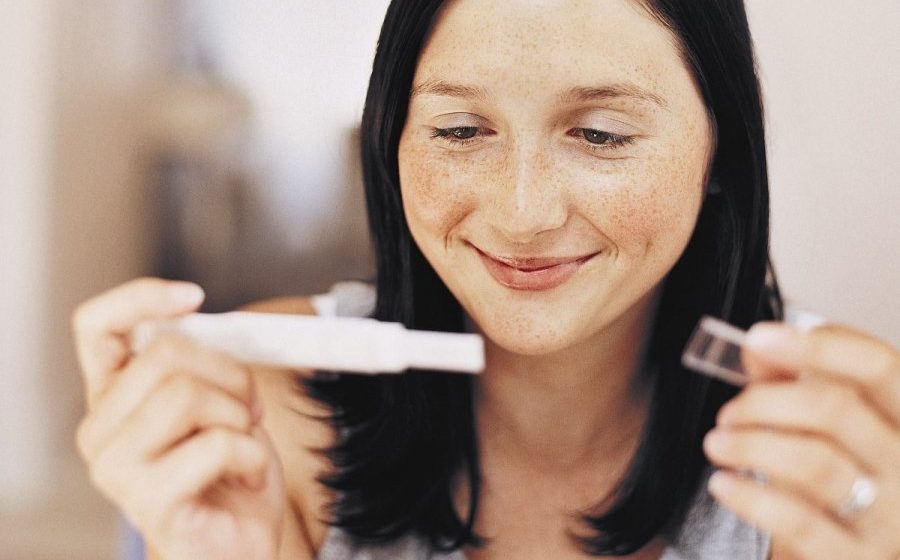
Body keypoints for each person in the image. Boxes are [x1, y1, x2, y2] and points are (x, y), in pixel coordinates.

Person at [72, 0, 900, 559]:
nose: (522, 213)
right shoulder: (267, 415)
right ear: (392, 137)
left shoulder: (835, 453)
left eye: (602, 135)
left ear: (722, 146)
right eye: (462, 130)